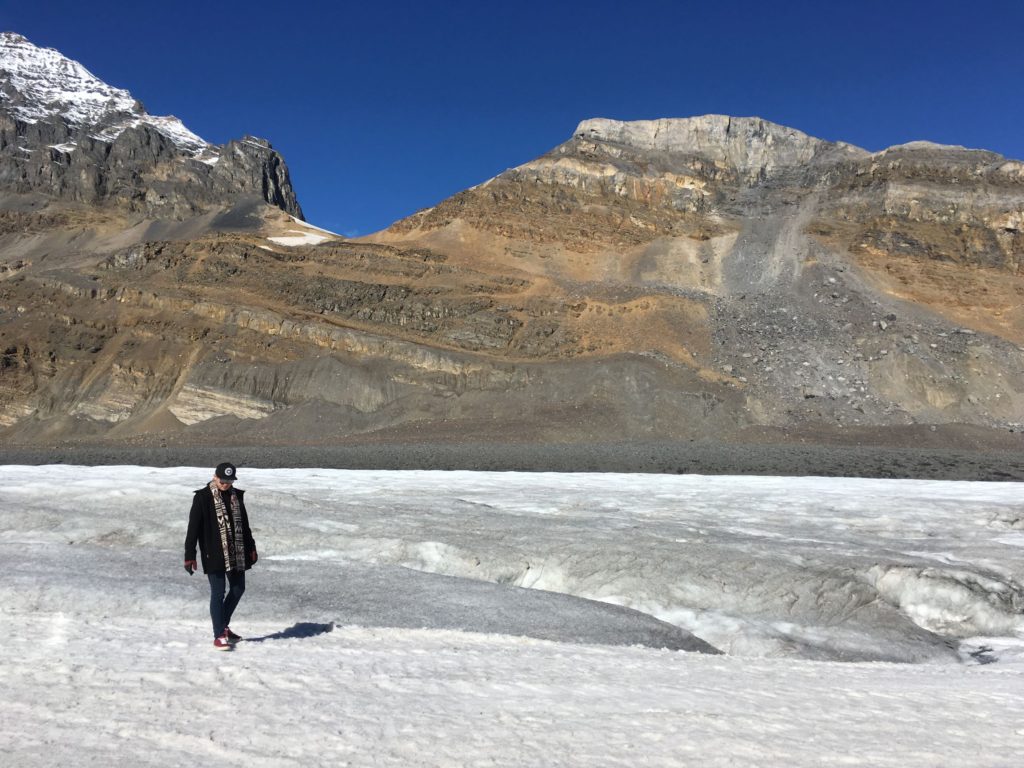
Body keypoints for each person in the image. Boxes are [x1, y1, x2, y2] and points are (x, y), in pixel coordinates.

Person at [184, 462, 258, 651]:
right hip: (213, 553)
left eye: (229, 481)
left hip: (237, 552)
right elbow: (193, 528)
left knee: (238, 588)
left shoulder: (237, 496)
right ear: (215, 476)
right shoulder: (202, 497)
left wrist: (251, 547)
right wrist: (189, 555)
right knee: (218, 592)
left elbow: (245, 525)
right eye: (223, 480)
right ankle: (219, 635)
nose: (226, 484)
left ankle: (222, 625)